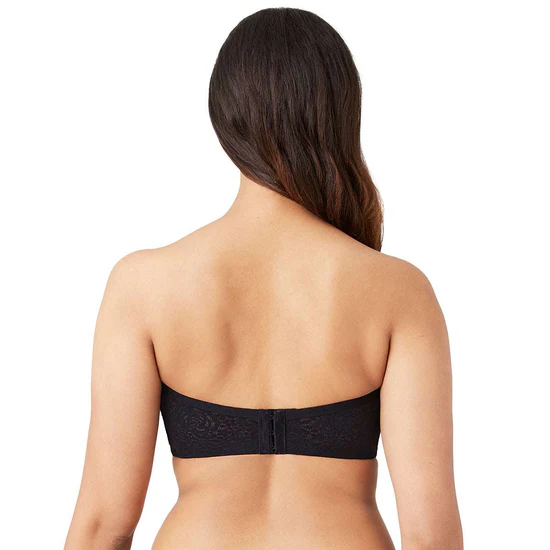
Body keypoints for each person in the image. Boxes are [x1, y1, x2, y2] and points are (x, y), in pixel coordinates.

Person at [64, 7, 463, 550]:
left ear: (224, 118)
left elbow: (102, 525)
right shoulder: (398, 292)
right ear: (342, 114)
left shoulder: (143, 286)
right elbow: (431, 537)